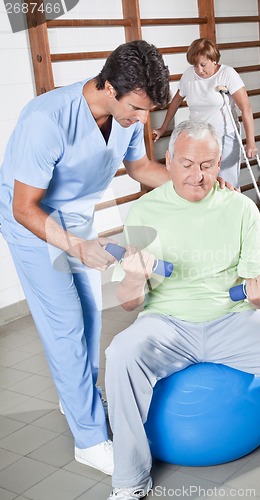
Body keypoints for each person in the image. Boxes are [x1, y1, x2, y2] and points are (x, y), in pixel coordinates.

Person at [105, 120, 260, 500]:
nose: (197, 175)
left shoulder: (239, 208)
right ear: (170, 160)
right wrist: (132, 278)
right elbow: (129, 303)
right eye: (188, 164)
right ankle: (130, 478)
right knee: (119, 354)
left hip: (232, 317)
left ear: (220, 164)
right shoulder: (143, 211)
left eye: (207, 165)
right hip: (166, 324)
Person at [0, 40, 172, 475]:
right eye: (136, 108)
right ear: (109, 86)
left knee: (92, 314)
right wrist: (76, 246)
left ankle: (75, 394)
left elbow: (140, 169)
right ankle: (89, 439)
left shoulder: (127, 115)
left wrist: (196, 184)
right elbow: (24, 207)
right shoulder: (46, 119)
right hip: (31, 221)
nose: (140, 119)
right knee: (65, 322)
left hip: (75, 216)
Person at [153, 37, 257, 188]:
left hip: (224, 136)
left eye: (203, 65)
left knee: (226, 184)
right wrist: (163, 128)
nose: (199, 70)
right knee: (202, 183)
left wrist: (251, 142)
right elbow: (175, 102)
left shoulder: (227, 74)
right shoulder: (189, 75)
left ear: (213, 59)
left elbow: (246, 108)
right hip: (198, 138)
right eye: (195, 66)